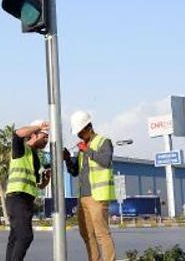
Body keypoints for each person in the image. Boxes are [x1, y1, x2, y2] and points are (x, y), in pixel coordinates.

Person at [63, 111, 116, 261]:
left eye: (80, 133)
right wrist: (67, 159)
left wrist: (87, 150)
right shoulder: (82, 149)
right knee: (86, 233)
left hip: (98, 196)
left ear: (88, 127)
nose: (79, 136)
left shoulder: (103, 142)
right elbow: (74, 172)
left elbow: (106, 161)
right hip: (83, 198)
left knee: (101, 234)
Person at [5, 120, 51, 261]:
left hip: (26, 200)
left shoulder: (35, 158)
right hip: (17, 198)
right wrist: (39, 126)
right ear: (33, 135)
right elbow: (17, 134)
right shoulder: (21, 149)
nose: (46, 142)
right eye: (44, 137)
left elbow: (39, 185)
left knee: (15, 238)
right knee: (25, 236)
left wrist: (46, 180)